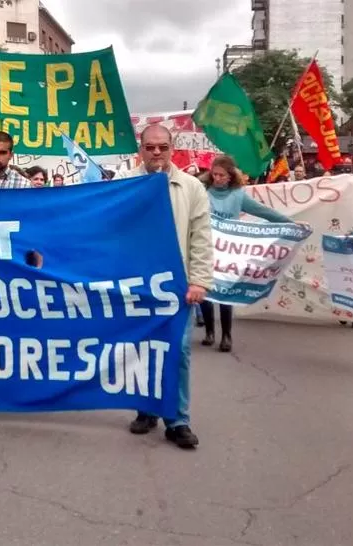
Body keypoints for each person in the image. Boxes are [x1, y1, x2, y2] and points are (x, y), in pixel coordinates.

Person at [123, 124, 213, 449]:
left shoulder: (190, 188)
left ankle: (178, 420)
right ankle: (146, 409)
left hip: (176, 288)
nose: (156, 152)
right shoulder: (124, 184)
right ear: (141, 149)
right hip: (136, 286)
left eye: (162, 146)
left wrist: (199, 279)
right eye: (150, 147)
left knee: (179, 351)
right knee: (141, 349)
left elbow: (200, 237)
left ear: (171, 147)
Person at [200, 156, 300, 352]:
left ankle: (226, 335)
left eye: (222, 175)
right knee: (205, 291)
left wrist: (291, 224)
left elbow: (264, 212)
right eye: (214, 174)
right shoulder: (202, 192)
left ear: (230, 176)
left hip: (229, 251)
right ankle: (209, 332)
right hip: (205, 248)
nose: (217, 178)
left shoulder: (238, 195)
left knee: (225, 291)